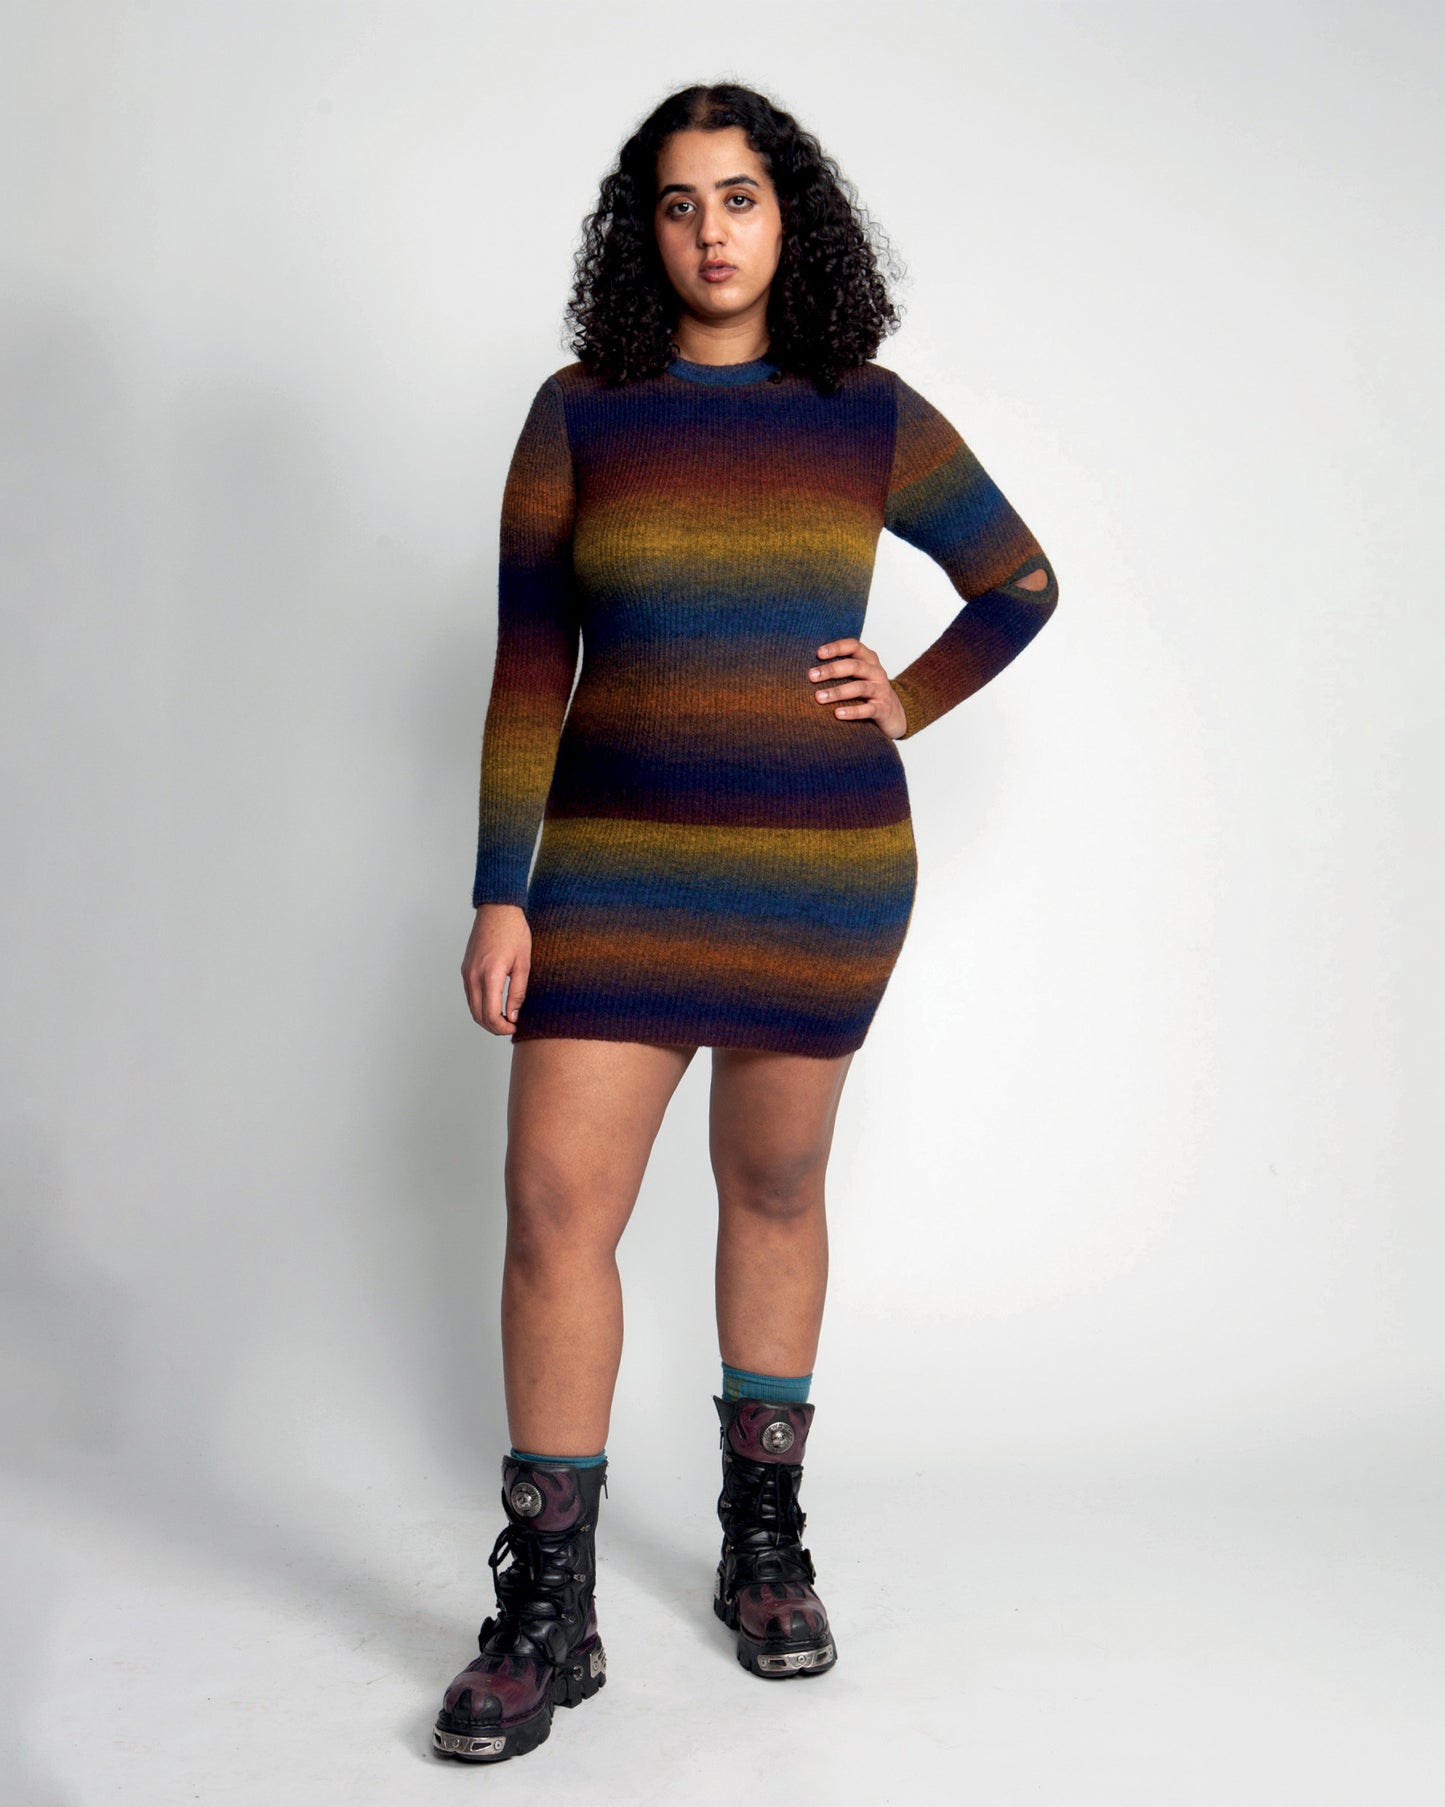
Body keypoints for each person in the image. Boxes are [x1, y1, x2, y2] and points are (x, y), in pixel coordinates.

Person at [431, 81, 1059, 1764]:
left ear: (791, 219)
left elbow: (1017, 582)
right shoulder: (580, 413)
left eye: (739, 197)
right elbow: (528, 664)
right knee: (554, 1206)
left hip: (814, 871)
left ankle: (761, 1548)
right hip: (611, 870)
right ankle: (545, 1609)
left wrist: (907, 694)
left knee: (773, 1190)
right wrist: (501, 886)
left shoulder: (866, 412)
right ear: (640, 232)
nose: (709, 231)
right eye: (677, 203)